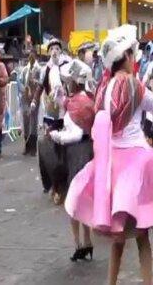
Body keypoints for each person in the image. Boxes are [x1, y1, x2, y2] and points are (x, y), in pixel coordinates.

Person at [65, 28, 153, 285]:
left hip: (110, 163)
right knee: (142, 236)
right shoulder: (135, 85)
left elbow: (98, 118)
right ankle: (148, 283)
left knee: (118, 237)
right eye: (132, 53)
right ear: (125, 56)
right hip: (136, 162)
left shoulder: (104, 86)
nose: (135, 57)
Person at [48, 59, 95, 261]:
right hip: (88, 151)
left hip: (76, 153)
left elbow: (73, 134)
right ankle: (87, 242)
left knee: (73, 200)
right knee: (84, 199)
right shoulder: (85, 100)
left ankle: (79, 244)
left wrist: (55, 136)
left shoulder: (78, 103)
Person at [32, 38, 70, 195]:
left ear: (60, 51)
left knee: (67, 143)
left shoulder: (66, 66)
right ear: (48, 52)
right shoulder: (45, 69)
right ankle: (49, 180)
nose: (54, 51)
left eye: (57, 48)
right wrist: (34, 101)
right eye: (52, 49)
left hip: (66, 111)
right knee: (47, 145)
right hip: (50, 112)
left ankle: (66, 177)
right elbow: (40, 87)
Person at [18, 51, 41, 156]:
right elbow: (20, 82)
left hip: (34, 98)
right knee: (26, 121)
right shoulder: (24, 70)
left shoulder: (38, 69)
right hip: (25, 97)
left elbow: (40, 83)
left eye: (32, 56)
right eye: (28, 56)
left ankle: (33, 148)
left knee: (33, 122)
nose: (30, 58)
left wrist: (34, 82)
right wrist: (24, 89)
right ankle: (26, 146)